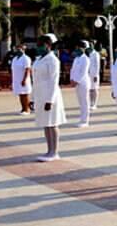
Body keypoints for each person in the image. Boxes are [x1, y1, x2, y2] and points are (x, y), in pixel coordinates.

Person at [33, 34, 66, 162]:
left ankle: (55, 152)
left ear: (48, 45)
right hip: (40, 95)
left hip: (50, 96)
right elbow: (35, 80)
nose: (39, 47)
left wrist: (50, 100)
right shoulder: (38, 59)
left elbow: (54, 81)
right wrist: (32, 99)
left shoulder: (53, 60)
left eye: (41, 44)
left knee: (53, 124)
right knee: (46, 124)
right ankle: (49, 150)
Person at [70, 40, 91, 128]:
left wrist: (76, 81)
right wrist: (71, 79)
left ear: (84, 49)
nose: (77, 49)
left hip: (83, 82)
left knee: (85, 102)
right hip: (76, 82)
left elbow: (83, 71)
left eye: (79, 47)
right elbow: (73, 70)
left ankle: (85, 120)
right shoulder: (77, 58)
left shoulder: (85, 59)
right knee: (81, 102)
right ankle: (81, 119)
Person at [11, 44, 33, 115]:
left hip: (24, 79)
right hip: (16, 80)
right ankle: (23, 108)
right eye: (16, 49)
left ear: (23, 49)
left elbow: (27, 70)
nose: (17, 50)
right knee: (20, 94)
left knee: (25, 94)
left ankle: (27, 109)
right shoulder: (15, 59)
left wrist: (24, 80)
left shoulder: (26, 58)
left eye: (19, 49)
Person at [86, 41, 100, 111]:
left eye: (92, 45)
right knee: (90, 89)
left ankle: (94, 104)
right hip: (88, 74)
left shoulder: (96, 54)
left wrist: (96, 75)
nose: (90, 46)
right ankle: (90, 103)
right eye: (89, 45)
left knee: (95, 89)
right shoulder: (88, 54)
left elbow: (97, 65)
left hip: (94, 74)